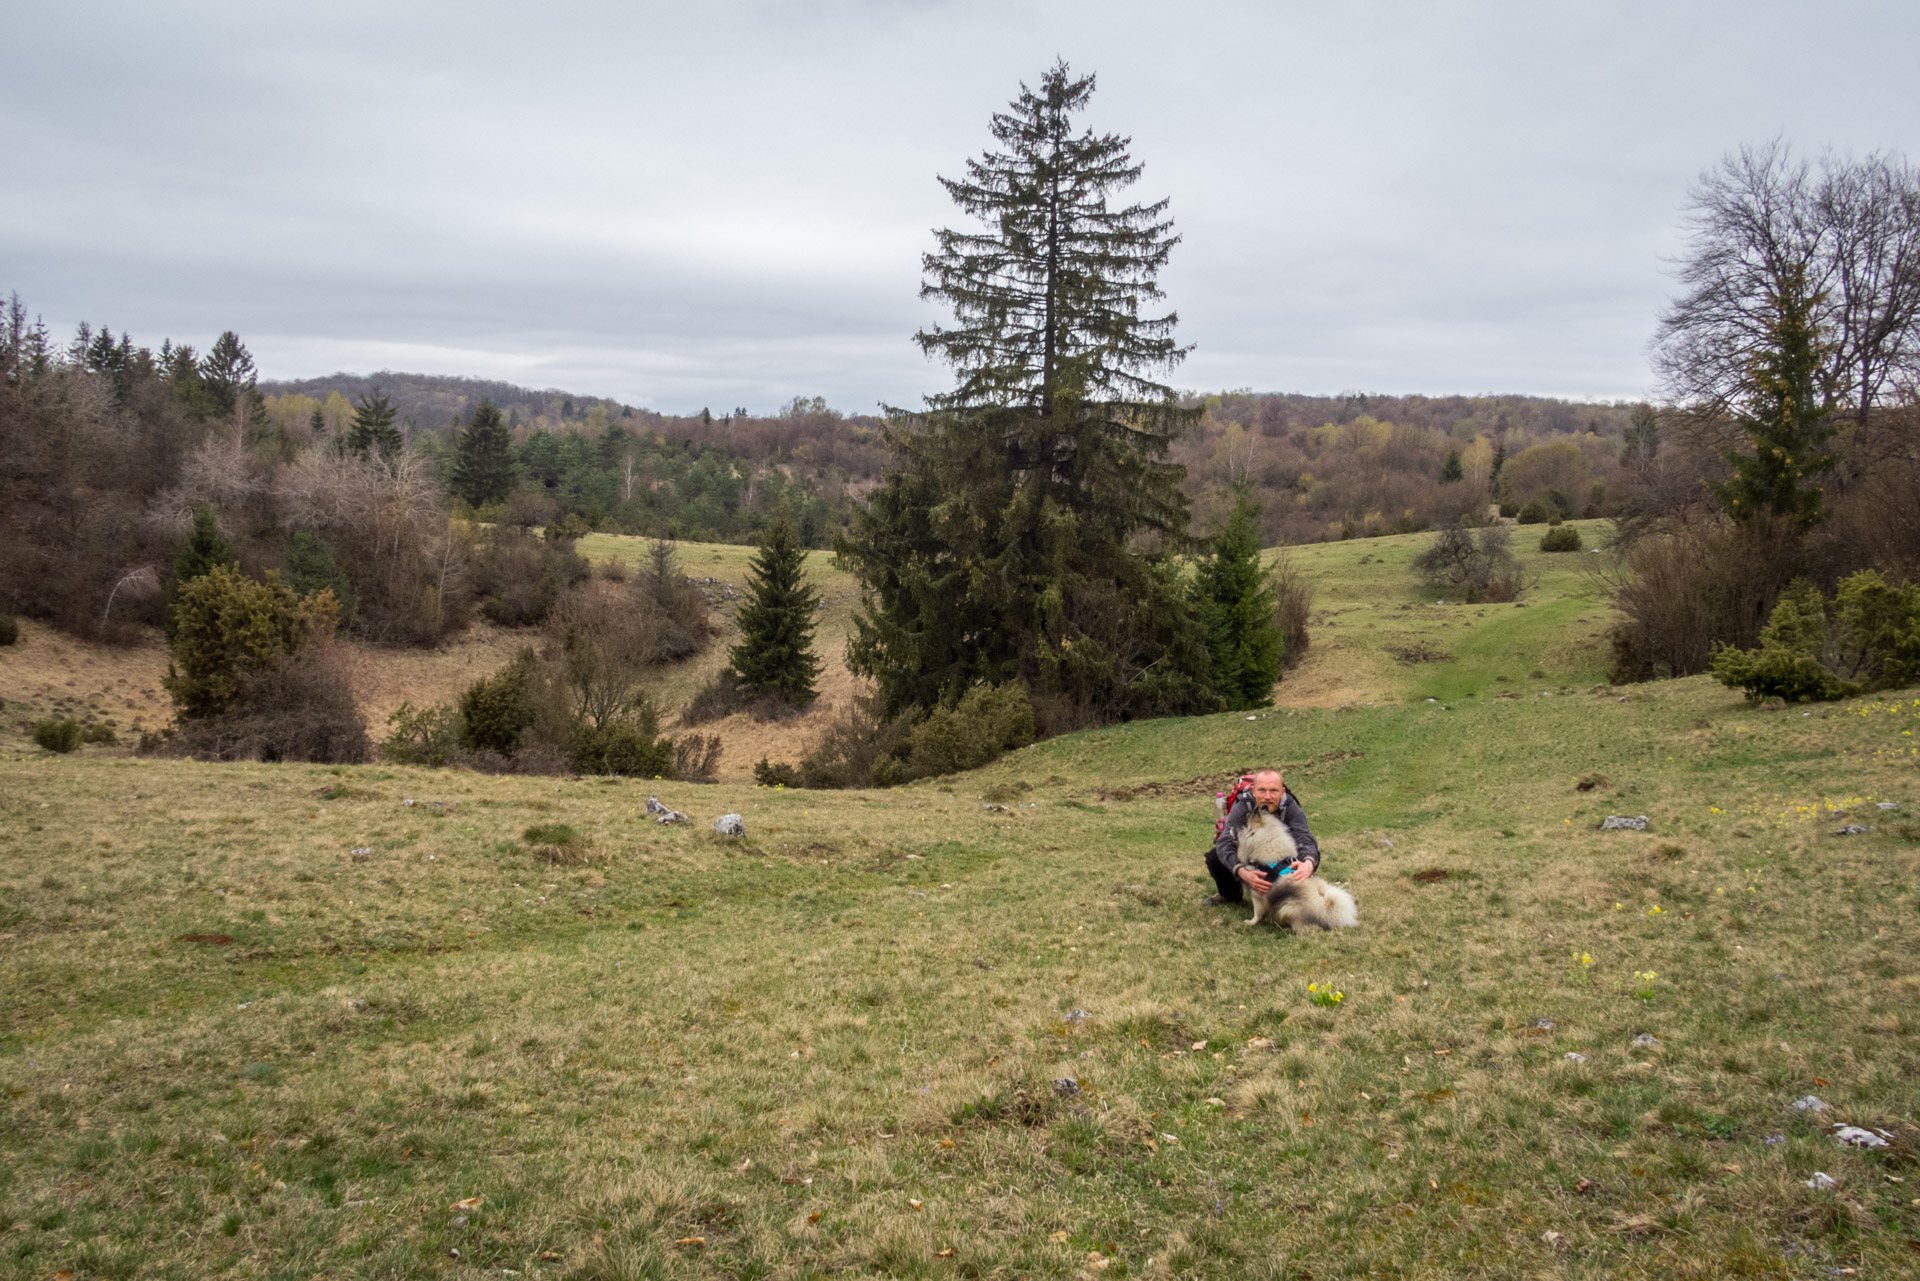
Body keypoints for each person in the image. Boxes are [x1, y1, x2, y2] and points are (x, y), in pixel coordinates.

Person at [1203, 767, 1321, 905]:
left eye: (1273, 791)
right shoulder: (1243, 805)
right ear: (1254, 791)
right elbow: (1224, 841)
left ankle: (1296, 892)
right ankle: (1230, 894)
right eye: (1262, 790)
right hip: (1248, 854)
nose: (1267, 797)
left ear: (1282, 792)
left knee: (1308, 856)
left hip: (1280, 856)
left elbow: (1305, 838)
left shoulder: (1291, 807)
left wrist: (1308, 863)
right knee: (1214, 857)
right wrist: (1242, 872)